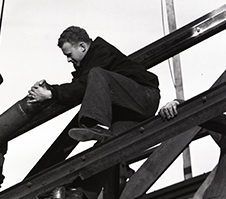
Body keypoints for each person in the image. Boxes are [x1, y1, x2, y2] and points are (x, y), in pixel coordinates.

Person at [27, 26, 160, 142]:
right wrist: (50, 88)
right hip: (129, 112)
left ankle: (99, 126)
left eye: (69, 54)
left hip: (146, 97)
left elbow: (81, 88)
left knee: (97, 74)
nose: (68, 60)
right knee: (108, 149)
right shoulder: (87, 65)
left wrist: (51, 94)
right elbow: (76, 87)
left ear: (82, 47)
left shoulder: (101, 52)